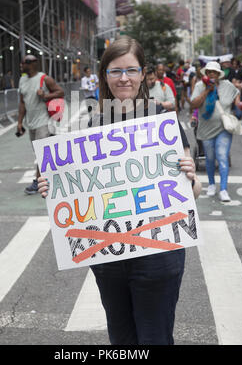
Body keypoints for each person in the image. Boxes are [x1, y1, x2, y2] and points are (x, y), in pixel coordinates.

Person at [38, 36, 201, 346]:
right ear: (104, 75)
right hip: (110, 256)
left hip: (159, 254)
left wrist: (191, 178)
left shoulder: (162, 122)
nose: (124, 78)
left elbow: (195, 190)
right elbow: (79, 188)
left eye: (131, 70)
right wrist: (54, 187)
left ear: (142, 74)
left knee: (154, 337)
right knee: (121, 338)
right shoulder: (91, 126)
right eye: (115, 71)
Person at [191, 61, 242, 202]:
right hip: (206, 129)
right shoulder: (199, 86)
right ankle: (212, 184)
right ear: (206, 74)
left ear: (219, 74)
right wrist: (207, 90)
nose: (212, 74)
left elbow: (236, 95)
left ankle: (224, 189)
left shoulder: (227, 86)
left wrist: (239, 104)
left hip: (223, 128)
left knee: (222, 156)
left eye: (214, 72)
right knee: (209, 158)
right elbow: (193, 104)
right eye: (209, 72)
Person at [17, 55, 64, 195]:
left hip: (44, 121)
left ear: (32, 64)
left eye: (24, 62)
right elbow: (22, 102)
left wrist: (45, 96)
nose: (21, 65)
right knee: (40, 152)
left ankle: (38, 181)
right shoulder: (22, 80)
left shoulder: (44, 79)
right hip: (31, 123)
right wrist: (19, 122)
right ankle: (54, 171)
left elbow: (61, 92)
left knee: (41, 152)